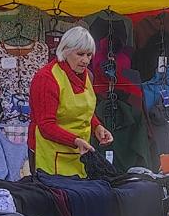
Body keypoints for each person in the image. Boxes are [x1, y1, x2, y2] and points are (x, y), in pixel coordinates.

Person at [27, 25, 113, 177]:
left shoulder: (88, 76)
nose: (85, 60)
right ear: (65, 51)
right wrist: (75, 140)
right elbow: (46, 125)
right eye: (80, 54)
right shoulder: (46, 79)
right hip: (50, 153)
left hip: (79, 152)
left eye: (89, 55)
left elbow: (82, 110)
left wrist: (97, 126)